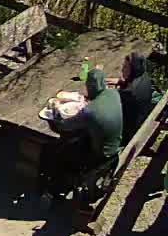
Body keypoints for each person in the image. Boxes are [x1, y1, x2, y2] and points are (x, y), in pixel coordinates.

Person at [42, 65, 124, 201]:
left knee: (59, 152)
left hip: (100, 154)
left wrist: (55, 111)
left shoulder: (91, 111)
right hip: (115, 144)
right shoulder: (113, 94)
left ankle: (54, 190)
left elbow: (65, 126)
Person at [117, 49, 158, 142]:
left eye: (125, 67)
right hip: (140, 121)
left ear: (133, 69)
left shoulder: (129, 93)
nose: (122, 69)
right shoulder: (144, 76)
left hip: (128, 133)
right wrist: (122, 82)